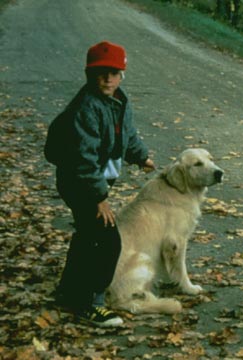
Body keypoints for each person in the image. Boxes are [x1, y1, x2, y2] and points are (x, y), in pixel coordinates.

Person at [44, 40, 156, 327]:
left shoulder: (119, 101)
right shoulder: (87, 108)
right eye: (101, 72)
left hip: (92, 181)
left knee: (86, 235)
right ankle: (89, 304)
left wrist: (140, 156)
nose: (107, 78)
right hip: (78, 181)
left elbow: (126, 135)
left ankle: (69, 292)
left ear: (122, 74)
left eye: (114, 72)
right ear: (89, 74)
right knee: (105, 241)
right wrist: (98, 198)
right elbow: (83, 159)